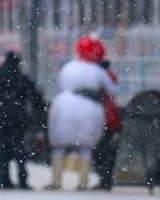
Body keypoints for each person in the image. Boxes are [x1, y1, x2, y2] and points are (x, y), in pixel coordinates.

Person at [46, 36, 116, 191]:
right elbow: (112, 90)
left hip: (64, 106)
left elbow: (60, 83)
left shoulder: (69, 67)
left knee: (59, 147)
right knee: (86, 147)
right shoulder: (98, 71)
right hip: (90, 110)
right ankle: (82, 182)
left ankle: (56, 180)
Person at [0, 52, 35, 190]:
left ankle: (3, 179)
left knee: (1, 149)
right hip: (17, 117)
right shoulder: (21, 77)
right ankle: (22, 179)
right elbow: (33, 95)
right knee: (19, 149)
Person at [92, 59, 123, 191]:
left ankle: (104, 178)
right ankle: (106, 179)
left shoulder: (98, 78)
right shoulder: (110, 77)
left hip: (102, 119)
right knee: (108, 151)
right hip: (111, 119)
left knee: (99, 150)